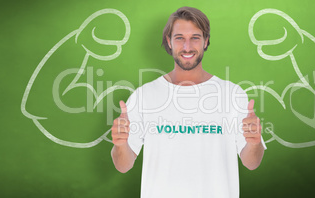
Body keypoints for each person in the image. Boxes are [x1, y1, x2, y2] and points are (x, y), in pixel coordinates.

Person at [111, 6, 266, 198]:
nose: (187, 46)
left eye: (195, 37)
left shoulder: (232, 94)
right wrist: (120, 144)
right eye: (179, 38)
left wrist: (254, 143)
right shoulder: (144, 95)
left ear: (206, 41)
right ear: (169, 41)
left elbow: (252, 162)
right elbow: (123, 165)